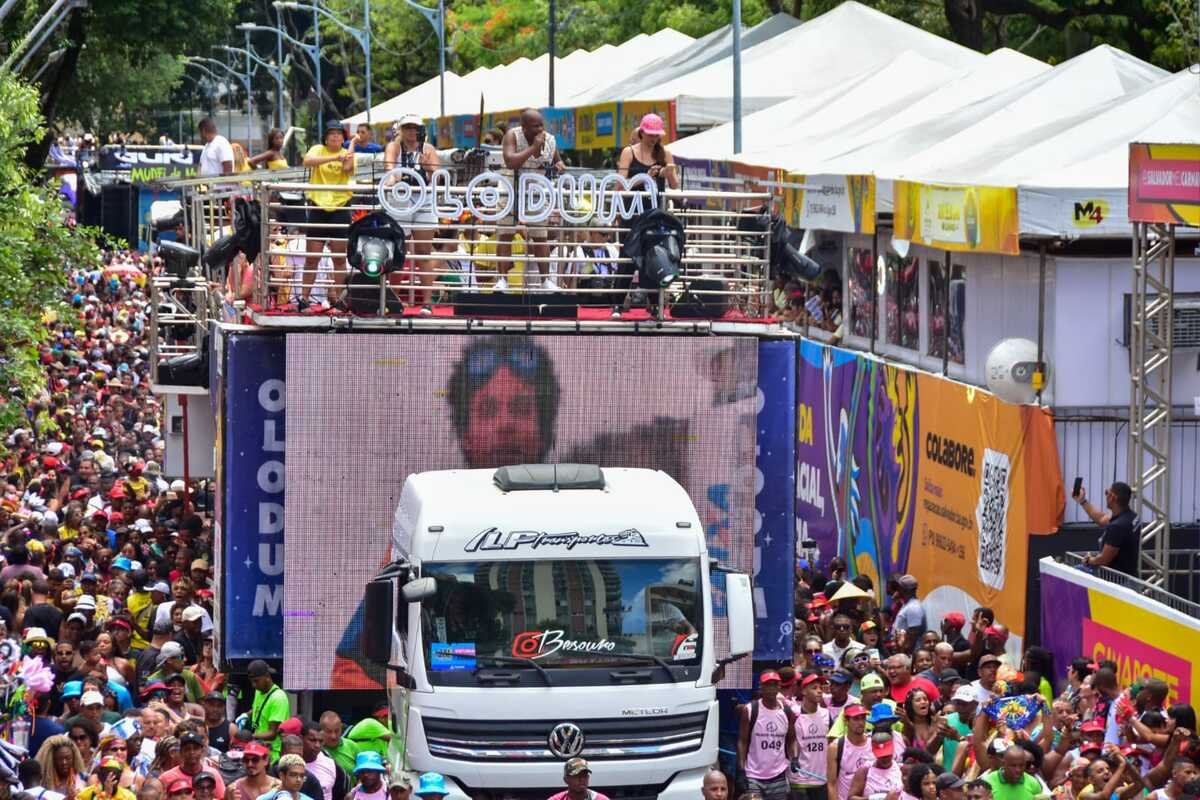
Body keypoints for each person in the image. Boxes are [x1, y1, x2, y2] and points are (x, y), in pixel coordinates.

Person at [499, 109, 566, 289]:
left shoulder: (550, 140)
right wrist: (533, 148)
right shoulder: (511, 136)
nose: (540, 129)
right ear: (524, 127)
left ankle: (546, 281)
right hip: (510, 189)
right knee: (505, 234)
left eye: (541, 125)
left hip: (536, 192)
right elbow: (510, 161)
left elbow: (557, 162)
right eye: (535, 126)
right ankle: (502, 280)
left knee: (540, 236)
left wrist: (559, 165)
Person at [382, 114, 440, 312]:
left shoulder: (428, 149)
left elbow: (437, 176)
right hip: (400, 199)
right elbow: (389, 167)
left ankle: (427, 303)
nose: (410, 131)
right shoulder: (394, 146)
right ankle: (394, 299)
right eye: (406, 127)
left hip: (424, 200)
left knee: (424, 253)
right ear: (400, 129)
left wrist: (427, 168)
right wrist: (392, 179)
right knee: (399, 251)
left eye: (414, 128)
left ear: (419, 130)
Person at [299, 120, 356, 310]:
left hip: (340, 207)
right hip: (318, 207)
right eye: (331, 133)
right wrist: (333, 158)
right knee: (312, 257)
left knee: (339, 258)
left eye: (339, 134)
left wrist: (352, 146)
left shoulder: (348, 153)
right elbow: (307, 161)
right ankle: (304, 299)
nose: (335, 136)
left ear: (343, 138)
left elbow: (348, 168)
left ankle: (338, 299)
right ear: (325, 137)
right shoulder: (317, 149)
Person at [738, 671, 797, 800]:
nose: (771, 688)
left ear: (779, 687)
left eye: (774, 685)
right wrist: (741, 769)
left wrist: (795, 758)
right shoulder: (750, 710)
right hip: (753, 774)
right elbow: (742, 741)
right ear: (761, 687)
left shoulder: (787, 712)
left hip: (778, 774)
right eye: (767, 685)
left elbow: (792, 739)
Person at [1078, 482, 1138, 577]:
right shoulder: (1132, 517)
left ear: (1112, 497)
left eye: (1106, 493)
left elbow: (1103, 560)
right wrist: (1082, 501)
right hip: (1129, 576)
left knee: (1075, 572)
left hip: (1116, 582)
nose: (1105, 496)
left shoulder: (1117, 527)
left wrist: (1088, 560)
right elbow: (1102, 519)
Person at [789, 672, 832, 800]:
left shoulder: (826, 714)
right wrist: (794, 758)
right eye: (814, 688)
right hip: (800, 778)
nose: (819, 691)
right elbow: (790, 740)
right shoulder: (794, 713)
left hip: (821, 778)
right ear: (803, 691)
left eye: (820, 688)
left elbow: (831, 742)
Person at [616, 112, 678, 193]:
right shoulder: (628, 152)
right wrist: (646, 177)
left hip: (656, 204)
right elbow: (620, 186)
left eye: (656, 135)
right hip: (632, 204)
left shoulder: (666, 153)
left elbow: (674, 186)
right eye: (650, 134)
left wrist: (669, 173)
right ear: (642, 132)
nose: (654, 138)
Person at [159, 731, 226, 799]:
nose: (192, 752)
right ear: (181, 752)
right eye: (187, 749)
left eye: (196, 748)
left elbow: (221, 797)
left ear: (202, 751)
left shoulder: (213, 774)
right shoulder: (166, 777)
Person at [247, 659, 289, 760]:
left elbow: (272, 733)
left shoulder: (278, 698)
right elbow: (258, 709)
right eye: (252, 681)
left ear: (267, 677)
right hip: (259, 747)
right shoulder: (259, 691)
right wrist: (245, 715)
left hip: (272, 753)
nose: (254, 685)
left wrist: (251, 737)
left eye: (256, 681)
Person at [846, 732, 903, 800]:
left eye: (887, 755)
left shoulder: (901, 769)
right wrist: (874, 798)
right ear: (874, 752)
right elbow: (851, 798)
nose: (885, 759)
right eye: (881, 755)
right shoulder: (865, 770)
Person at [301, 721, 348, 800]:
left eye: (321, 741)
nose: (317, 745)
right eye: (312, 740)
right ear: (301, 738)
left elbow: (340, 795)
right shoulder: (289, 763)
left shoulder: (331, 765)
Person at [891, 575, 925, 652]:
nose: (897, 590)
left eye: (899, 588)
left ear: (903, 590)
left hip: (908, 653)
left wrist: (905, 652)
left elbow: (913, 635)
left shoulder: (913, 608)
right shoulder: (907, 604)